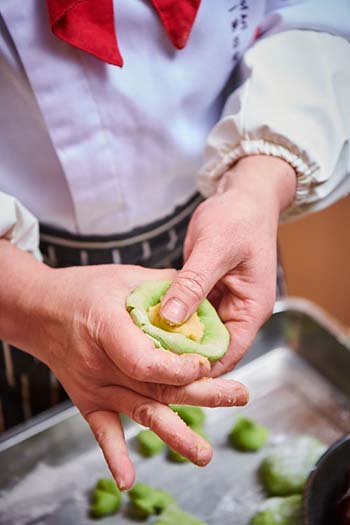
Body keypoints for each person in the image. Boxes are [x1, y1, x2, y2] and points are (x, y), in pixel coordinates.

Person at [0, 0, 349, 490]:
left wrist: (259, 184)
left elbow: (321, 14)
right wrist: (30, 301)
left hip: (225, 225)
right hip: (17, 267)